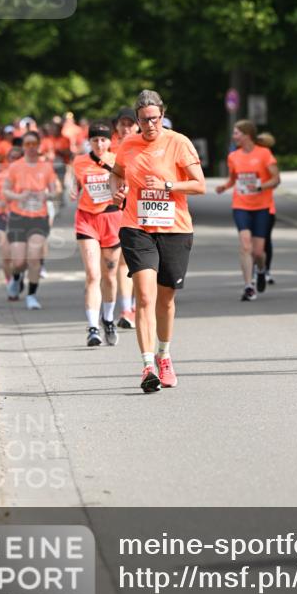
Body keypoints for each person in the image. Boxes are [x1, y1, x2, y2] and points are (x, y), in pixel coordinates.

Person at [110, 90, 205, 393]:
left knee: (165, 298)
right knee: (145, 296)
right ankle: (147, 365)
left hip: (175, 229)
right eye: (143, 120)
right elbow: (117, 173)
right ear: (137, 121)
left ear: (162, 115)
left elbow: (199, 185)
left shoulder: (179, 142)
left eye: (154, 118)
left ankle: (164, 355)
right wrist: (118, 190)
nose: (149, 125)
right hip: (137, 227)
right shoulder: (128, 144)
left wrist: (167, 184)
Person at [215, 120, 280, 301]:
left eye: (236, 133)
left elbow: (276, 179)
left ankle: (260, 269)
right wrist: (224, 187)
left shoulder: (264, 154)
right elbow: (233, 179)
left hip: (262, 207)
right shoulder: (233, 156)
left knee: (258, 252)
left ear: (247, 135)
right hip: (241, 205)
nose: (233, 136)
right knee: (245, 245)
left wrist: (259, 186)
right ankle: (248, 286)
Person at [70, 121, 122, 347]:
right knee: (93, 275)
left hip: (112, 219)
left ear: (110, 141)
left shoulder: (119, 160)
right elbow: (74, 183)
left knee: (110, 276)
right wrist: (72, 188)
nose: (99, 144)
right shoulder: (80, 161)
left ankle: (108, 318)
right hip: (87, 219)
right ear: (89, 141)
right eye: (94, 140)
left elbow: (127, 183)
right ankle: (92, 328)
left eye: (103, 139)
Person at [3, 130, 61, 309]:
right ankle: (16, 277)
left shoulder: (46, 167)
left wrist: (48, 195)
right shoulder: (15, 167)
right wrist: (20, 197)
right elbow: (6, 190)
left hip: (39, 218)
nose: (31, 148)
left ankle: (31, 295)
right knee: (19, 262)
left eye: (34, 144)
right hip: (18, 217)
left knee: (34, 259)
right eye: (27, 144)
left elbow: (55, 191)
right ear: (22, 147)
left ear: (38, 146)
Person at [111, 106, 140, 329]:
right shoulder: (108, 146)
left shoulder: (144, 144)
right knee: (121, 260)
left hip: (143, 208)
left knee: (141, 260)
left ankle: (142, 303)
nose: (127, 127)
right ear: (117, 126)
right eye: (123, 123)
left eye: (131, 123)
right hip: (116, 208)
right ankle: (126, 308)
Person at [0, 144, 23, 286]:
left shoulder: (28, 178)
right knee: (7, 255)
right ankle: (10, 284)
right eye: (12, 158)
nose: (15, 161)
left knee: (19, 259)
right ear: (8, 159)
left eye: (18, 158)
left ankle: (17, 277)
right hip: (2, 217)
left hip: (21, 218)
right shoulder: (0, 178)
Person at [257, 131, 278, 284]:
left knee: (264, 241)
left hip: (266, 207)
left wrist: (259, 186)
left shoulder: (267, 158)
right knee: (252, 243)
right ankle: (257, 270)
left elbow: (275, 180)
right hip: (245, 207)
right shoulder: (242, 156)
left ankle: (266, 270)